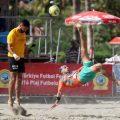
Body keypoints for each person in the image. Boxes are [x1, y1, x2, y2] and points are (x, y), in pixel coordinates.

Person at [51, 26, 120, 108]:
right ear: (61, 71)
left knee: (83, 51)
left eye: (66, 67)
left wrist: (88, 57)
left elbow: (80, 68)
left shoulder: (72, 72)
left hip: (83, 71)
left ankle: (80, 31)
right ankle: (116, 81)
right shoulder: (62, 79)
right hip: (81, 78)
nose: (67, 67)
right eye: (64, 67)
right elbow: (59, 91)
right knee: (99, 66)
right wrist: (57, 101)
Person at [7, 19, 30, 108]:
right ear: (21, 25)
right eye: (25, 28)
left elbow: (24, 45)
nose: (26, 30)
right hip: (13, 57)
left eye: (27, 29)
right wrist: (14, 54)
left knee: (20, 78)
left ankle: (17, 99)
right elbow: (9, 47)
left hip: (21, 57)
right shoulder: (12, 33)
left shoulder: (23, 34)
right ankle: (10, 99)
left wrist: (27, 54)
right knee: (13, 78)